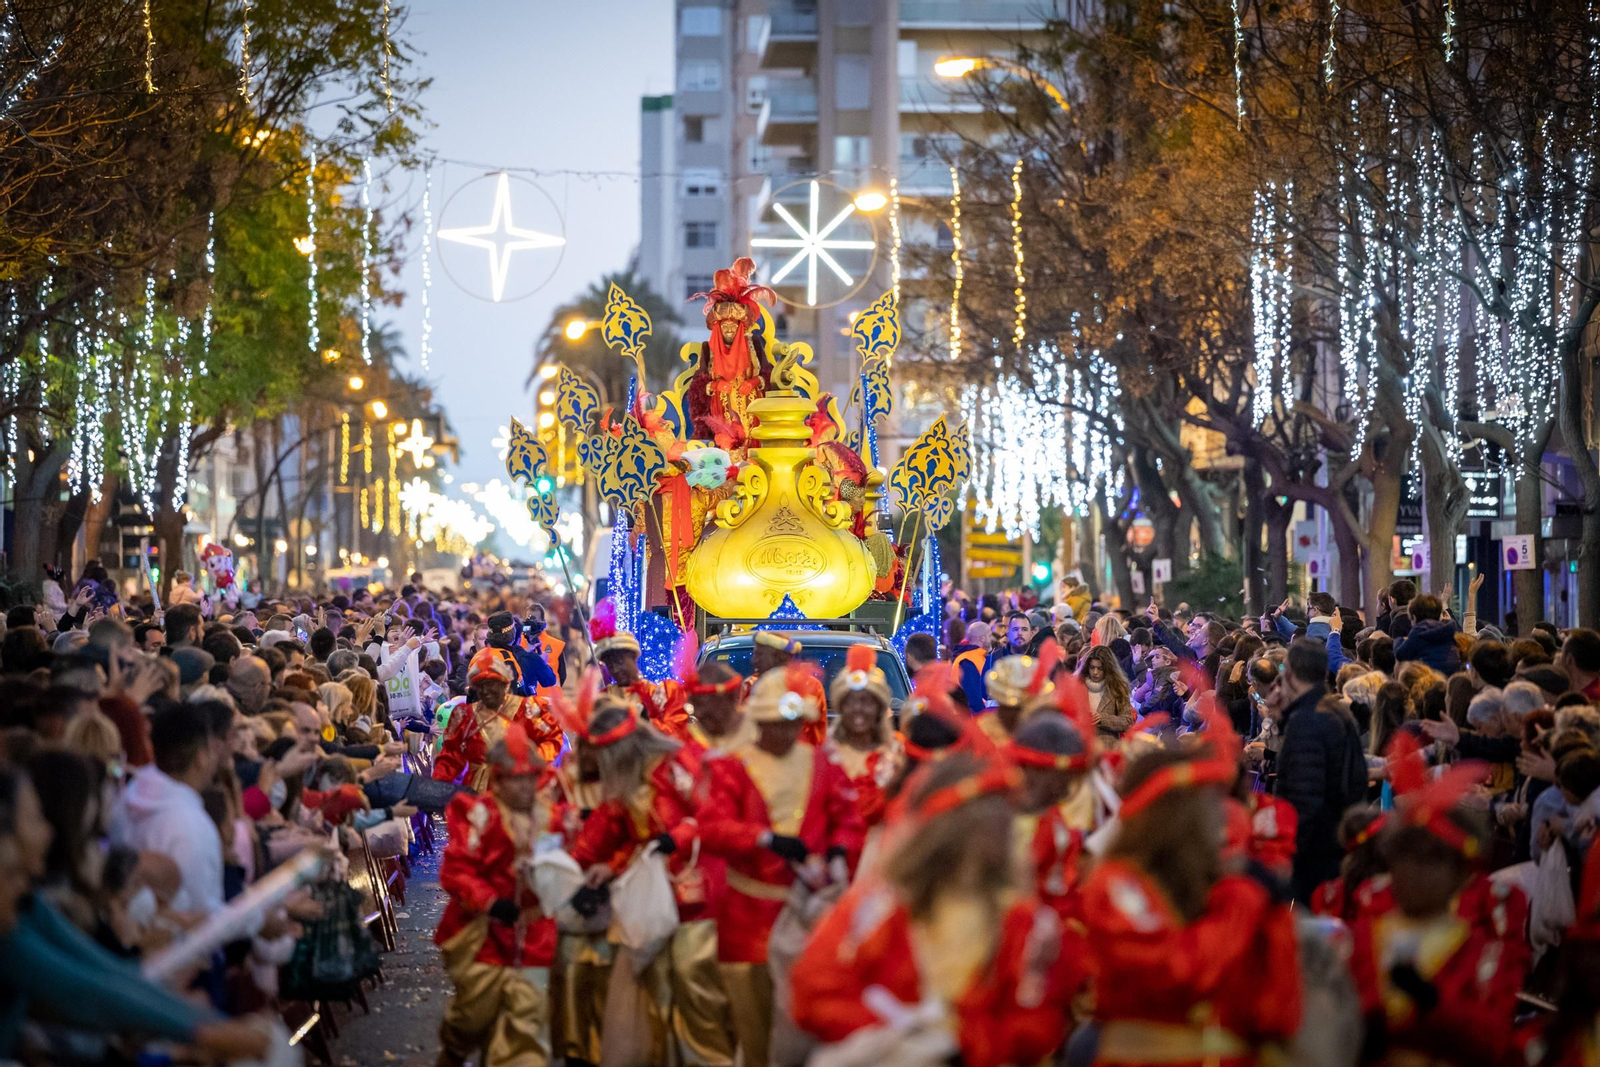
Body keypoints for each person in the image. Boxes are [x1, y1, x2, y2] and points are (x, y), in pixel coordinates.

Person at [791, 752, 1085, 1067]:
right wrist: (900, 1036)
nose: (999, 833)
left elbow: (1037, 1021)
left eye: (1004, 818)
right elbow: (814, 989)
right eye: (983, 821)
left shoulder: (1022, 921)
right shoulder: (878, 905)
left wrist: (958, 1045)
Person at [1081, 740, 1302, 1066]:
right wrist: (1241, 900)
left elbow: (1277, 1012)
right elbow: (1175, 973)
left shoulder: (1209, 887)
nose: (1223, 817)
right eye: (1210, 805)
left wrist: (1272, 920)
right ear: (1176, 817)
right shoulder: (1116, 885)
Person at [699, 666, 866, 1067]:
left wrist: (841, 852)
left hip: (809, 915)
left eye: (792, 723)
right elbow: (713, 827)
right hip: (747, 919)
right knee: (752, 1025)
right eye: (776, 724)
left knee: (806, 1023)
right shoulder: (731, 766)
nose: (785, 732)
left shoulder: (823, 763)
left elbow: (849, 817)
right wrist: (764, 839)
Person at [567, 696, 734, 1067]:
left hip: (699, 892)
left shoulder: (677, 764)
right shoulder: (630, 779)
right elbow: (631, 837)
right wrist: (608, 867)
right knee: (658, 986)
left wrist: (679, 836)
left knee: (694, 981)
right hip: (656, 897)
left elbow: (713, 814)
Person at [1349, 746, 1529, 1067]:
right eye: (1404, 855)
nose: (1414, 870)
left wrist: (1431, 1003)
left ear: (1461, 872)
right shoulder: (1365, 936)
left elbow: (1493, 1037)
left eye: (1430, 860)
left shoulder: (1485, 953)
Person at [435, 722, 557, 1067]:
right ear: (498, 781)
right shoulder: (477, 815)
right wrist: (490, 901)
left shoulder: (553, 818)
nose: (524, 787)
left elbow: (572, 859)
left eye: (530, 778)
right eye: (515, 780)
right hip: (482, 936)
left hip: (535, 937)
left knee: (527, 1023)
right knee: (471, 1018)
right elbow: (456, 870)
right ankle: (455, 1053)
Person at [1272, 638, 1365, 903]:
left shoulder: (1307, 722)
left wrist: (1288, 851)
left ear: (1289, 673)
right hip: (1335, 839)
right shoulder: (1330, 708)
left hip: (1317, 851)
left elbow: (1304, 797)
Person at [114, 703, 224, 914]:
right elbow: (201, 913)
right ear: (201, 756)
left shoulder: (129, 794)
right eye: (211, 749)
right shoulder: (193, 827)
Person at [434, 648, 560, 791]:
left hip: (520, 787)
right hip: (478, 792)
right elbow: (450, 756)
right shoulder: (465, 715)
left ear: (505, 685)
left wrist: (532, 762)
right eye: (481, 686)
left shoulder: (527, 710)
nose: (487, 691)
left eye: (492, 685)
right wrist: (437, 788)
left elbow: (552, 739)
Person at [826, 644, 901, 828]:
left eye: (866, 701)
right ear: (841, 707)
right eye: (850, 702)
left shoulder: (897, 753)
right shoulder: (827, 754)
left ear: (879, 708)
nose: (858, 709)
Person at [591, 611, 690, 743]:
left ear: (633, 657)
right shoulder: (602, 699)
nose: (615, 669)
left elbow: (676, 735)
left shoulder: (664, 693)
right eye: (609, 664)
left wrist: (644, 721)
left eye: (619, 661)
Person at [738, 631, 825, 747]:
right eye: (754, 655)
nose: (754, 660)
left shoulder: (810, 685)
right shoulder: (750, 685)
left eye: (759, 655)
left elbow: (813, 733)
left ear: (778, 657)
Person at [1079, 645, 1135, 738]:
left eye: (1100, 669)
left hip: (1108, 747)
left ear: (1108, 669)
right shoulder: (1078, 687)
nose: (1095, 672)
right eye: (1092, 667)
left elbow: (1127, 722)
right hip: (1083, 745)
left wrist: (1103, 719)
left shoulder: (1117, 688)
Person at [951, 621, 991, 712]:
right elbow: (973, 697)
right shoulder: (967, 660)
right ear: (982, 638)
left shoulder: (975, 657)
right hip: (969, 717)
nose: (991, 639)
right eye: (990, 635)